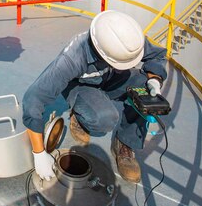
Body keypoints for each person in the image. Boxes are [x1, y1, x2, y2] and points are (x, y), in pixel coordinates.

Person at [22, 10, 167, 184]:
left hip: (110, 76)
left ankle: (124, 144)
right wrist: (38, 154)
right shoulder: (72, 59)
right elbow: (33, 100)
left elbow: (157, 55)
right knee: (105, 118)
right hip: (82, 85)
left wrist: (155, 80)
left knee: (143, 89)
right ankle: (80, 115)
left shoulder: (127, 38)